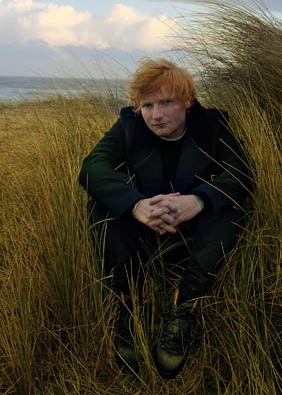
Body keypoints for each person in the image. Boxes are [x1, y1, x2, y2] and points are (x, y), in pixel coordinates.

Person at [78, 58, 250, 377]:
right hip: (145, 232)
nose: (156, 115)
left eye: (166, 102)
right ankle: (132, 301)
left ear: (187, 101)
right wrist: (136, 205)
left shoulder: (212, 126)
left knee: (230, 207)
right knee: (103, 205)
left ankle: (184, 303)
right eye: (147, 105)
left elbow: (241, 173)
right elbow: (92, 167)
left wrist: (199, 201)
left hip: (195, 235)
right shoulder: (129, 126)